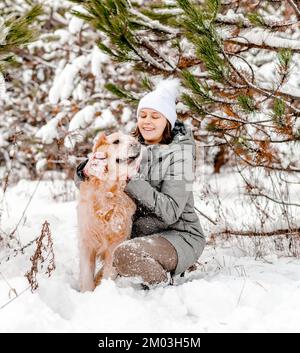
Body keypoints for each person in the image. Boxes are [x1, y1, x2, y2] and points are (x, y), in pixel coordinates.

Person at [74, 78, 206, 289]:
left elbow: (171, 211)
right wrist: (84, 171)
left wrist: (131, 179)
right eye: (142, 115)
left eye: (155, 116)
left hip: (179, 235)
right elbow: (99, 181)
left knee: (125, 255)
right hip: (142, 236)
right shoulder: (133, 146)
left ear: (168, 122)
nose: (147, 121)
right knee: (111, 264)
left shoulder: (181, 157)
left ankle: (165, 283)